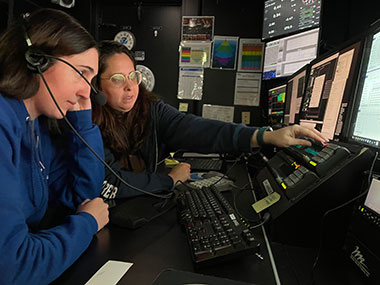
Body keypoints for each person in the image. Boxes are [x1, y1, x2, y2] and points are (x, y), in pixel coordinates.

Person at [92, 40, 326, 200]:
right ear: (95, 85)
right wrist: (169, 180)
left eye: (133, 75)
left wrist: (265, 135)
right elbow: (112, 184)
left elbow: (198, 130)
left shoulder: (151, 110)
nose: (130, 86)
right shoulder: (88, 124)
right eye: (117, 78)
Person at [0, 8, 109, 284]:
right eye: (82, 74)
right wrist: (86, 224)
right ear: (36, 60)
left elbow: (82, 197)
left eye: (92, 81)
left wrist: (83, 120)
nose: (88, 91)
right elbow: (15, 266)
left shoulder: (35, 126)